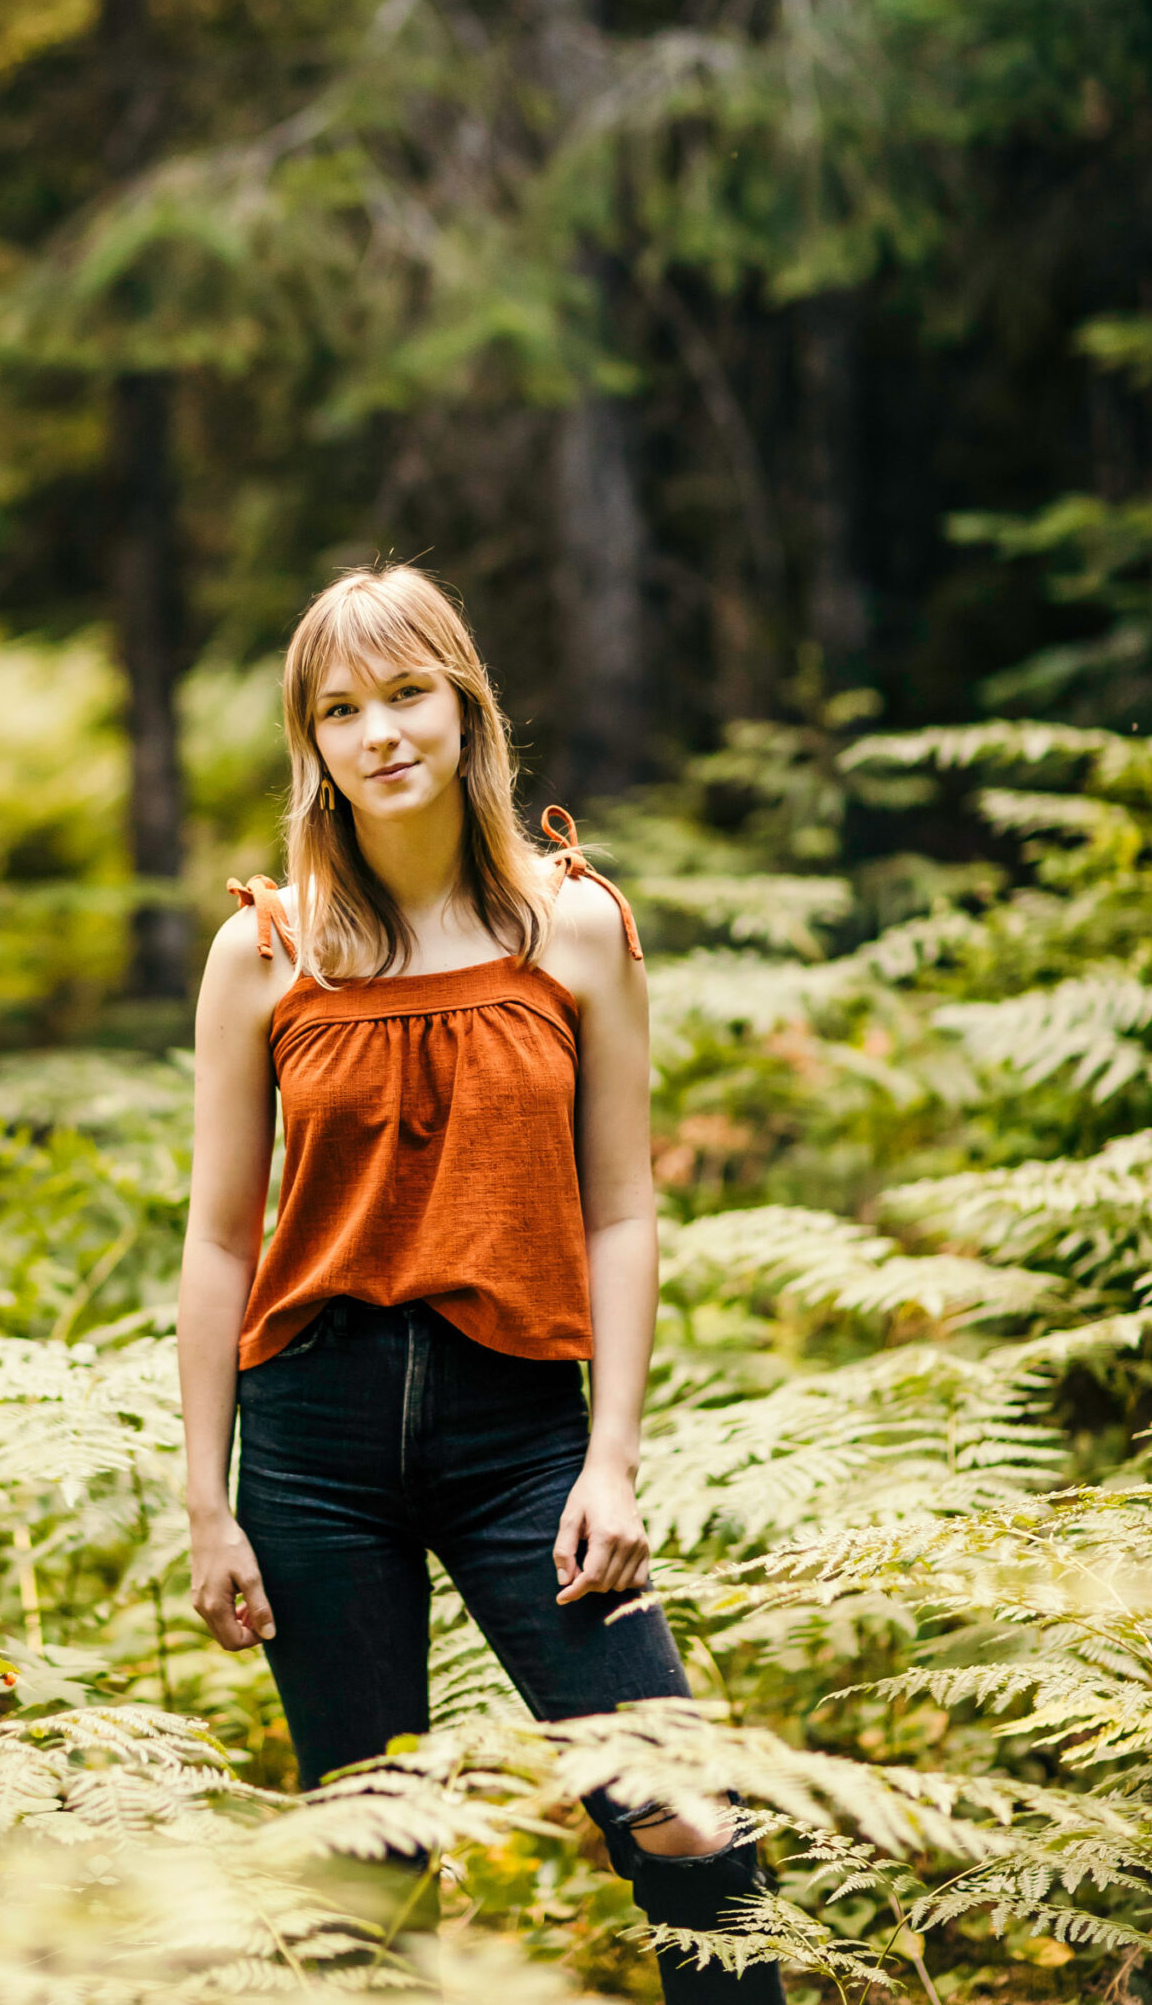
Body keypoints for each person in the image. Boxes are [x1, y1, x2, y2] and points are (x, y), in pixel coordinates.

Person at [178, 566, 783, 2005]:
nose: (379, 732)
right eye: (340, 709)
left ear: (463, 707)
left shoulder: (573, 927)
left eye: (406, 694)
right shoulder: (260, 954)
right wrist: (209, 1502)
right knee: (370, 1872)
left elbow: (623, 1209)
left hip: (519, 1438)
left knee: (679, 1810)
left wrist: (613, 1461)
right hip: (311, 1446)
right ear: (310, 743)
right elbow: (218, 1243)